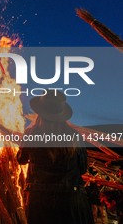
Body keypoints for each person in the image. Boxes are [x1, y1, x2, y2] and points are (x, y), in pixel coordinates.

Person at [16, 90, 94, 224]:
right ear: (61, 114)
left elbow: (21, 160)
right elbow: (82, 168)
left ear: (40, 113)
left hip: (41, 200)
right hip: (71, 199)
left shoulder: (31, 134)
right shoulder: (74, 136)